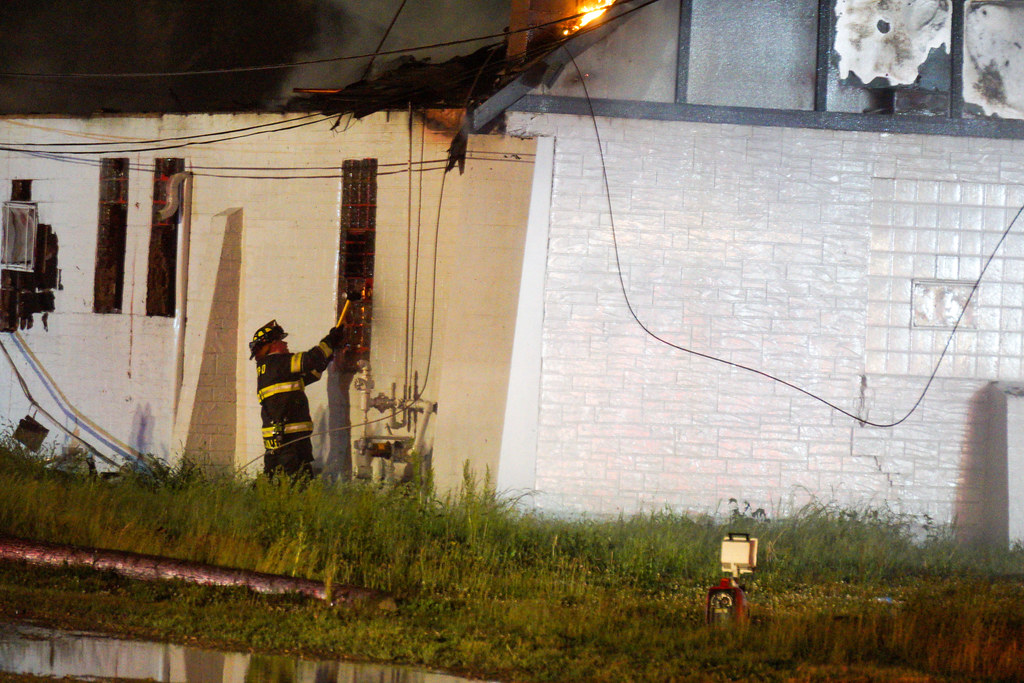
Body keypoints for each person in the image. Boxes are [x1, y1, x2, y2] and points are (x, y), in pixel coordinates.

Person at [249, 319, 345, 478]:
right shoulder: (279, 362)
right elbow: (311, 359)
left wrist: (326, 356)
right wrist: (330, 340)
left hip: (280, 441)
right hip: (290, 441)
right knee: (298, 484)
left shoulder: (269, 369)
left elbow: (310, 373)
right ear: (271, 345)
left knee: (276, 483)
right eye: (280, 340)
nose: (285, 343)